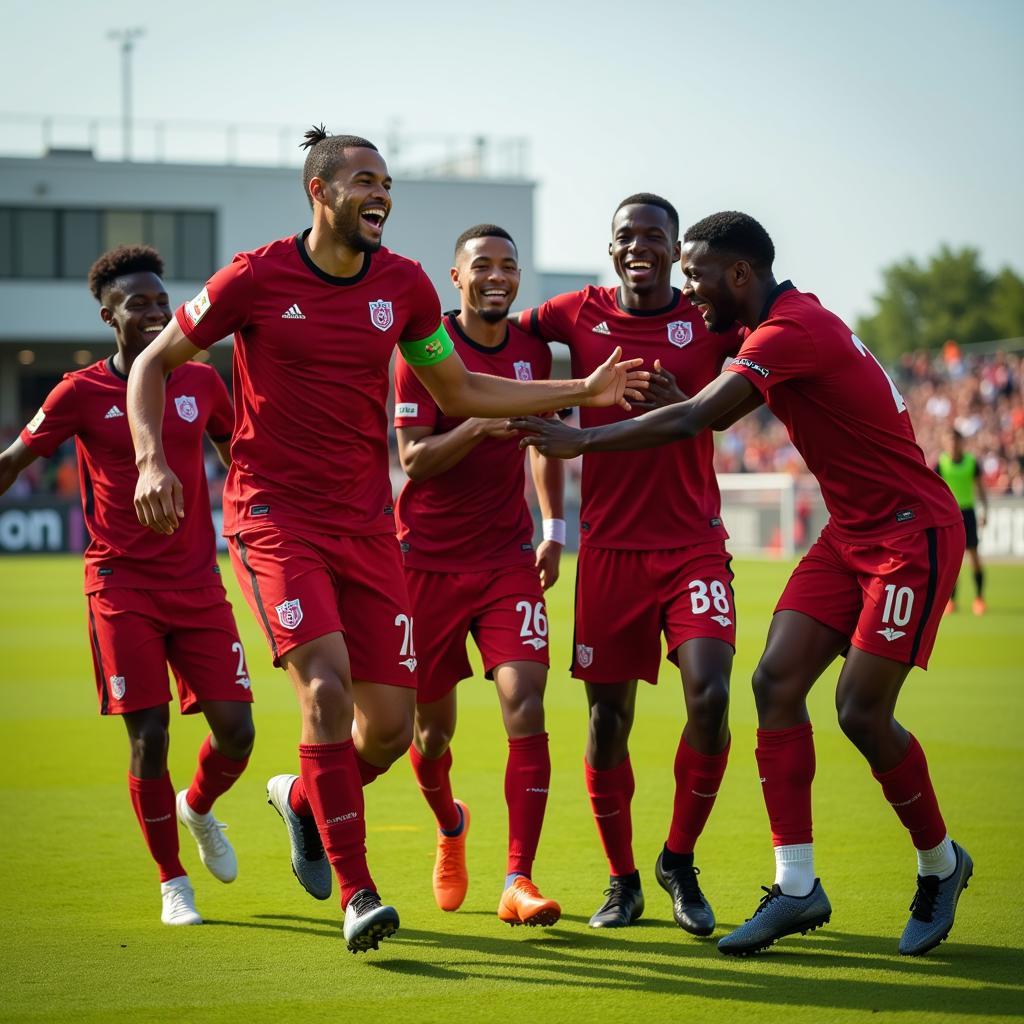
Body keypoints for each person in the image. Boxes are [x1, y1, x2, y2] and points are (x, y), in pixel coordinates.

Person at [126, 126, 647, 953]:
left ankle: (301, 799)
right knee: (325, 693)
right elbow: (152, 363)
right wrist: (152, 461)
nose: (382, 194)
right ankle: (359, 894)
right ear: (320, 191)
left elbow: (462, 385)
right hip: (274, 518)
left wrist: (582, 387)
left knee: (392, 732)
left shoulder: (402, 287)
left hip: (369, 529)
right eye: (364, 180)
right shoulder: (255, 277)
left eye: (388, 182)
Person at [513, 211, 971, 958]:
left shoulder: (789, 331)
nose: (686, 288)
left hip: (908, 533)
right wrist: (676, 407)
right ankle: (796, 888)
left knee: (858, 711)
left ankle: (941, 865)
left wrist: (582, 437)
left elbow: (701, 415)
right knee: (774, 684)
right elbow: (707, 411)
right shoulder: (781, 330)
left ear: (738, 276)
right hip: (850, 534)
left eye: (695, 274)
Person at [0, 245, 255, 926]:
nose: (153, 312)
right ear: (107, 313)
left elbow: (242, 460)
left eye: (159, 300)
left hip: (199, 583)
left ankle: (197, 808)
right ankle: (173, 882)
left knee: (238, 733)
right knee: (150, 739)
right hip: (121, 587)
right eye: (136, 303)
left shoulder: (203, 382)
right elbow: (15, 459)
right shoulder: (77, 392)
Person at [515, 195, 742, 935]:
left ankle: (678, 860)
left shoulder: (712, 323)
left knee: (709, 698)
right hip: (609, 550)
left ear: (676, 250)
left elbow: (755, 388)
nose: (637, 246)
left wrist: (698, 403)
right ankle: (622, 881)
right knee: (607, 721)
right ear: (610, 249)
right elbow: (495, 339)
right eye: (625, 236)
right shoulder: (573, 315)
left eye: (653, 236)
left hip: (693, 545)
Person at [396, 224, 564, 927]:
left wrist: (554, 526)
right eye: (482, 265)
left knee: (525, 700)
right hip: (424, 562)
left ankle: (518, 880)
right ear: (455, 278)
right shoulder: (424, 349)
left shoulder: (533, 352)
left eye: (509, 265)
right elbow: (413, 459)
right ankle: (451, 824)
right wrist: (476, 425)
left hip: (506, 560)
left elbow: (547, 439)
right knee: (430, 734)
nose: (498, 275)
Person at [936, 430, 988, 615]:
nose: (952, 445)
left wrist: (985, 510)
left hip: (968, 513)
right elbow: (933, 490)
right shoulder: (940, 464)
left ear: (960, 443)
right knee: (951, 560)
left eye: (955, 442)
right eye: (948, 442)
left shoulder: (971, 463)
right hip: (949, 516)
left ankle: (979, 598)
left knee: (974, 557)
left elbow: (981, 488)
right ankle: (952, 601)